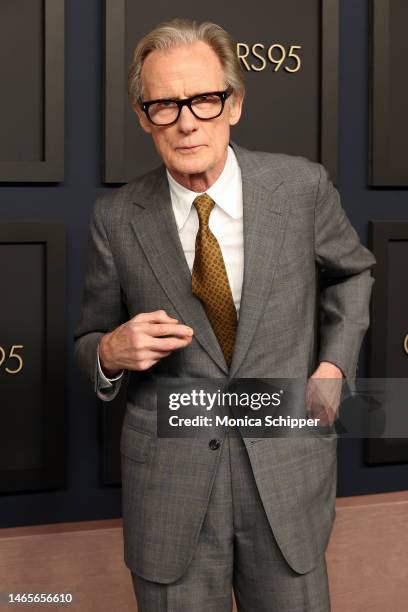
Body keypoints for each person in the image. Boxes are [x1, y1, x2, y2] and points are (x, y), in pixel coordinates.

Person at [74, 18, 376, 611]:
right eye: (164, 104)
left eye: (204, 100)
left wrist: (334, 369)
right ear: (143, 116)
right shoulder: (116, 219)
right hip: (171, 492)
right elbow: (90, 338)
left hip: (286, 472)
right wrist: (111, 352)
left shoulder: (301, 187)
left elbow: (354, 271)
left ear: (233, 104)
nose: (186, 121)